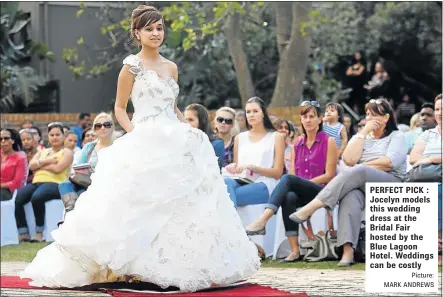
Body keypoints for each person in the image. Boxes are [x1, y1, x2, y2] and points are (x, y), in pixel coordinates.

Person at [20, 5, 259, 291]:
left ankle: (178, 265)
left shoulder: (171, 67)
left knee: (180, 202)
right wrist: (136, 134)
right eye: (149, 29)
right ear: (137, 33)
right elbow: (120, 109)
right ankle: (134, 266)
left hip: (173, 137)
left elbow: (173, 108)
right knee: (140, 204)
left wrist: (191, 131)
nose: (156, 33)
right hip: (145, 135)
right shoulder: (130, 66)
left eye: (159, 28)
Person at [290, 98, 407, 266]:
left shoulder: (397, 136)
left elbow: (390, 163)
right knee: (350, 195)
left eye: (375, 114)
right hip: (363, 185)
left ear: (386, 117)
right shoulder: (363, 137)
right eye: (368, 114)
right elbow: (348, 159)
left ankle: (313, 206)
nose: (370, 118)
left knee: (359, 171)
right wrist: (362, 133)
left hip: (390, 183)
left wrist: (362, 167)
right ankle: (347, 251)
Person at [245, 101, 338, 262]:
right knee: (288, 197)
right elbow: (294, 174)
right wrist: (299, 183)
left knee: (287, 179)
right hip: (302, 192)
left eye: (312, 116)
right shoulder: (297, 144)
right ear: (300, 119)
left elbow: (329, 175)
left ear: (320, 119)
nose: (308, 120)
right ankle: (295, 250)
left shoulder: (328, 141)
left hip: (321, 192)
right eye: (304, 116)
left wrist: (302, 182)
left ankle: (263, 220)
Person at [15, 123, 73, 243]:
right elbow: (31, 166)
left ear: (63, 136)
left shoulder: (67, 152)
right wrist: (50, 161)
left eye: (58, 134)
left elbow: (58, 169)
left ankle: (39, 232)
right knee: (19, 198)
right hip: (37, 182)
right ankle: (23, 232)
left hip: (56, 183)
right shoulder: (42, 151)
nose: (54, 137)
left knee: (37, 197)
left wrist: (40, 165)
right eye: (52, 135)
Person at [184, 104, 224, 168]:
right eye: (186, 120)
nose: (187, 123)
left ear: (202, 121)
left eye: (191, 120)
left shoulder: (216, 144)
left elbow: (213, 170)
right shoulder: (183, 142)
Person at [1, 129, 27, 201]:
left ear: (12, 140)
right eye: (0, 139)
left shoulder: (20, 158)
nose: (3, 141)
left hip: (8, 191)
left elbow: (17, 183)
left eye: (6, 138)